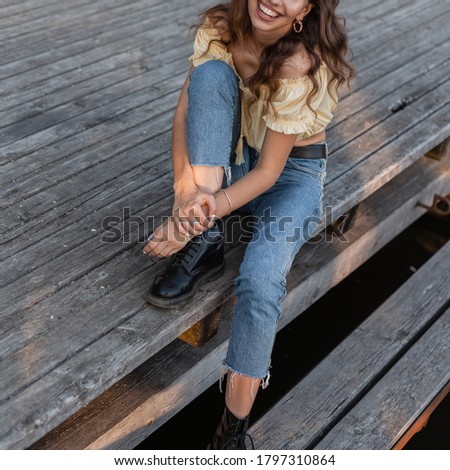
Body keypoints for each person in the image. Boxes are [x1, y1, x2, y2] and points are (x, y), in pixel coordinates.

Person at [143, 0, 354, 450]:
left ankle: (231, 430)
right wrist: (187, 202)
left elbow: (269, 174)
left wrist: (194, 212)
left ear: (306, 9)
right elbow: (185, 114)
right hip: (236, 157)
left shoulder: (298, 60)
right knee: (211, 76)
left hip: (289, 176)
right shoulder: (221, 27)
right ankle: (206, 240)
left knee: (259, 281)